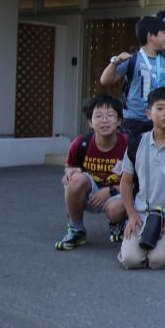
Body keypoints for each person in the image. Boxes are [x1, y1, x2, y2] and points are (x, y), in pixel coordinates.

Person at [117, 88, 165, 270]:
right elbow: (126, 181)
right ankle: (134, 237)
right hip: (141, 214)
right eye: (159, 108)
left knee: (158, 261)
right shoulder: (137, 143)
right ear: (148, 113)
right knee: (132, 261)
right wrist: (131, 215)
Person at [55, 94, 129, 251]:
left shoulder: (129, 145)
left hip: (118, 193)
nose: (104, 120)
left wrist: (109, 191)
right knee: (75, 180)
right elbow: (69, 168)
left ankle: (118, 224)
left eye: (110, 116)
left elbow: (136, 182)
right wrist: (70, 173)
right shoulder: (80, 143)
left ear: (119, 121)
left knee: (116, 208)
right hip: (90, 194)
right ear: (90, 122)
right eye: (98, 116)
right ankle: (76, 230)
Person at [100, 16, 165, 139]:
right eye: (163, 33)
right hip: (133, 120)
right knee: (132, 155)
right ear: (151, 36)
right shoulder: (132, 59)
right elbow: (105, 80)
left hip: (159, 119)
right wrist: (116, 62)